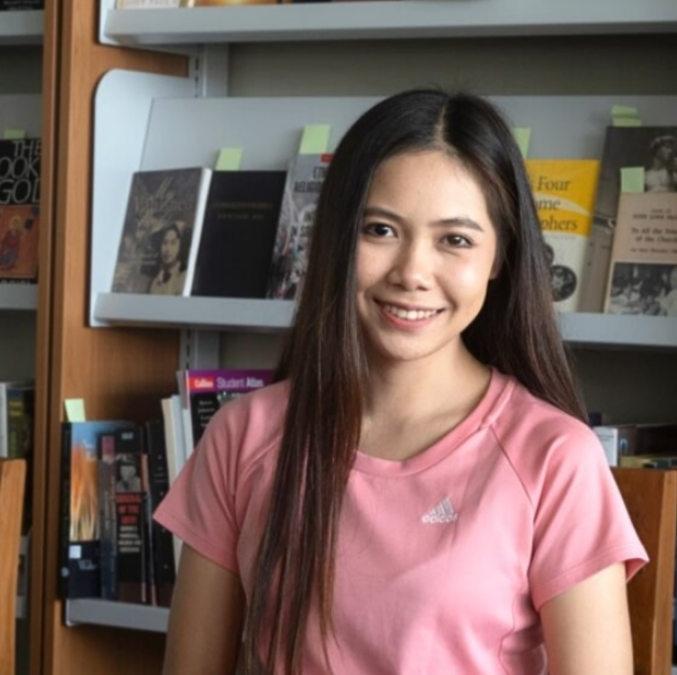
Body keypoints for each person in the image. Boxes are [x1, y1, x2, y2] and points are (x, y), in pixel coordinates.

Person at [154, 89, 647, 675]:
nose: (413, 272)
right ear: (336, 238)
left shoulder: (554, 458)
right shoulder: (244, 435)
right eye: (381, 230)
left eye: (455, 240)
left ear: (499, 258)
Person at [146, 222, 189, 295]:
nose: (168, 249)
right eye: (164, 243)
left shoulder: (185, 277)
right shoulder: (155, 281)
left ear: (180, 246)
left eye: (173, 243)